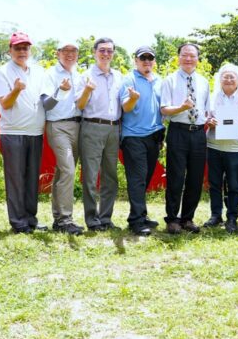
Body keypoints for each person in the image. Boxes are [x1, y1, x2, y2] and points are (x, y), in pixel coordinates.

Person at [0, 32, 47, 234]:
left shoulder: (39, 71)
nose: (22, 51)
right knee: (16, 178)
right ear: (10, 51)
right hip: (13, 131)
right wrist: (16, 90)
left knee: (32, 178)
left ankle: (31, 219)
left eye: (25, 47)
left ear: (30, 50)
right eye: (17, 48)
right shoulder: (2, 72)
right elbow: (5, 104)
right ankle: (18, 222)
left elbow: (45, 99)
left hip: (35, 131)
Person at [160, 42, 210, 235]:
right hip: (178, 131)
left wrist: (210, 119)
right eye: (185, 55)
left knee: (195, 178)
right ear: (179, 57)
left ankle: (187, 218)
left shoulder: (204, 82)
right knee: (176, 176)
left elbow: (206, 110)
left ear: (198, 58)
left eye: (192, 55)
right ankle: (172, 219)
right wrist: (181, 107)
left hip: (198, 132)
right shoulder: (170, 80)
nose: (189, 59)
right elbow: (164, 109)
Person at [77, 37, 123, 231]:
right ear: (94, 52)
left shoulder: (119, 76)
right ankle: (91, 219)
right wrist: (87, 90)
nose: (106, 54)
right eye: (102, 50)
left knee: (110, 175)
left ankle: (106, 217)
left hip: (114, 128)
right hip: (92, 127)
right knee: (90, 175)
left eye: (109, 51)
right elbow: (79, 105)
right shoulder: (86, 76)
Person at [41, 40, 86, 235]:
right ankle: (66, 219)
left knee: (64, 171)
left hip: (78, 125)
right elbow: (46, 104)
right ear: (57, 53)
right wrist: (60, 91)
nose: (69, 54)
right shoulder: (50, 74)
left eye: (73, 51)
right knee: (68, 170)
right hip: (58, 126)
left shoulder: (79, 74)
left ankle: (59, 219)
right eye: (65, 50)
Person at [120, 45, 165, 236]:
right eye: (142, 58)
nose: (146, 61)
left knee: (145, 178)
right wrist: (133, 99)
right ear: (136, 60)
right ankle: (136, 222)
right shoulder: (129, 80)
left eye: (150, 58)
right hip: (134, 137)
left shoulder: (159, 81)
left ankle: (140, 215)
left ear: (154, 61)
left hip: (154, 136)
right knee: (137, 179)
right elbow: (125, 107)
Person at [205, 63, 238, 233]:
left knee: (234, 185)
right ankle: (215, 215)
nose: (228, 79)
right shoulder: (212, 97)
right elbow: (206, 118)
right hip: (214, 146)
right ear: (220, 79)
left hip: (234, 148)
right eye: (225, 76)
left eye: (232, 76)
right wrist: (209, 122)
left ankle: (232, 218)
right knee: (214, 183)